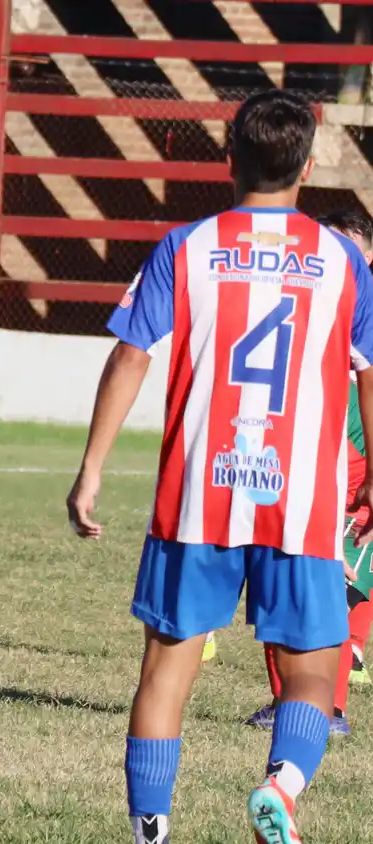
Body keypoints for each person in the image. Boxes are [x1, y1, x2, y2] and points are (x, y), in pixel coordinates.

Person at [65, 89, 373, 843]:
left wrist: (92, 469)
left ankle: (151, 831)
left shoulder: (186, 247)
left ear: (228, 156)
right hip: (300, 501)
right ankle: (282, 785)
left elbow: (132, 355)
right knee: (311, 668)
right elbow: (371, 375)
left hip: (199, 493)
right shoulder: (343, 262)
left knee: (166, 673)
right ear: (307, 164)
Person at [243, 208, 373, 737]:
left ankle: (333, 706)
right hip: (290, 450)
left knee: (334, 584)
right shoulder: (304, 292)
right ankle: (287, 700)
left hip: (346, 456)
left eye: (348, 246)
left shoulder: (361, 303)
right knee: (275, 576)